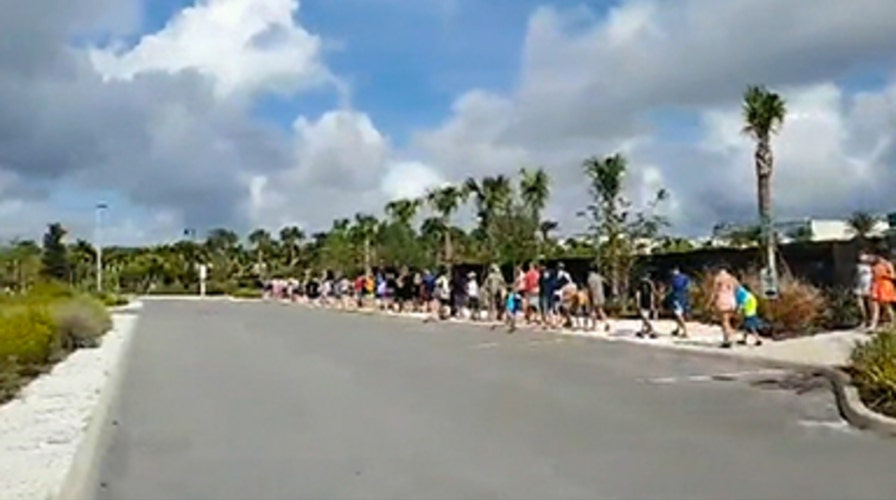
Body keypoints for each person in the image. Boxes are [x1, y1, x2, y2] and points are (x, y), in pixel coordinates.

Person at [711, 267, 739, 348]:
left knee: (724, 321)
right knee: (728, 320)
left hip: (722, 300)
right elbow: (737, 288)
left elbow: (714, 291)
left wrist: (710, 302)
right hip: (732, 300)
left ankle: (727, 340)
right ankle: (729, 337)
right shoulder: (732, 278)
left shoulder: (718, 278)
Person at [869, 253, 896, 331]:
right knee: (874, 306)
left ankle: (893, 322)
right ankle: (873, 325)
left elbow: (893, 276)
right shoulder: (874, 265)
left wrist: (884, 275)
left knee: (886, 306)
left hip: (884, 285)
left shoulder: (888, 264)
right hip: (876, 285)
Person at [668, 267, 691, 338]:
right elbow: (688, 287)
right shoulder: (685, 277)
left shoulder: (674, 279)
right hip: (684, 298)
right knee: (679, 314)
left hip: (677, 298)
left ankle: (685, 332)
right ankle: (677, 329)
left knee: (678, 314)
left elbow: (672, 289)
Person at [586, 264, 610, 332]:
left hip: (594, 296)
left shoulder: (590, 278)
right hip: (601, 295)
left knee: (592, 311)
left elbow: (590, 289)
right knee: (600, 310)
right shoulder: (599, 277)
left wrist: (590, 297)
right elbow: (606, 282)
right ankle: (606, 323)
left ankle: (594, 326)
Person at [635, 274, 657, 338]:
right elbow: (652, 294)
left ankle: (651, 330)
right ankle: (643, 331)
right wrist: (652, 303)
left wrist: (637, 302)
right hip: (648, 302)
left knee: (644, 317)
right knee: (645, 317)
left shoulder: (640, 284)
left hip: (642, 301)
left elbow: (638, 294)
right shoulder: (650, 283)